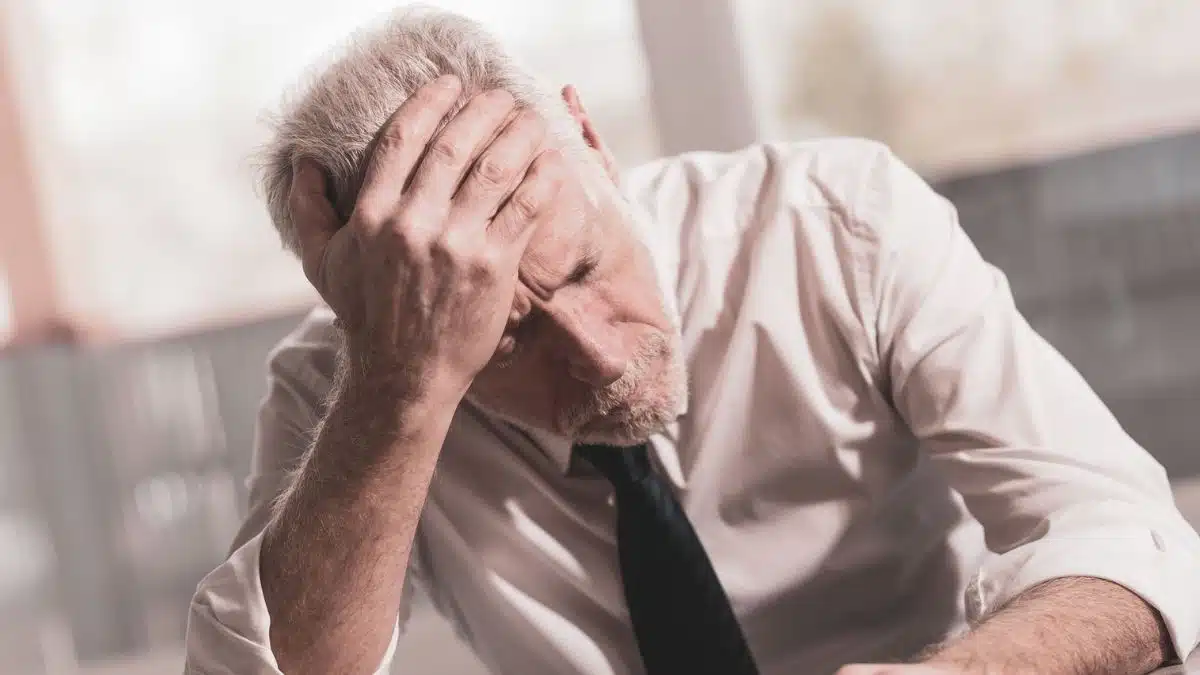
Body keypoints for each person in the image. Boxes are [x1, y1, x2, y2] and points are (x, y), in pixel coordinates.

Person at [184, 8, 1200, 675]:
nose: (595, 355)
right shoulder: (352, 390)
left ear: (589, 134)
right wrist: (400, 383)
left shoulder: (834, 223)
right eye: (498, 341)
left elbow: (1137, 544)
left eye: (583, 268)